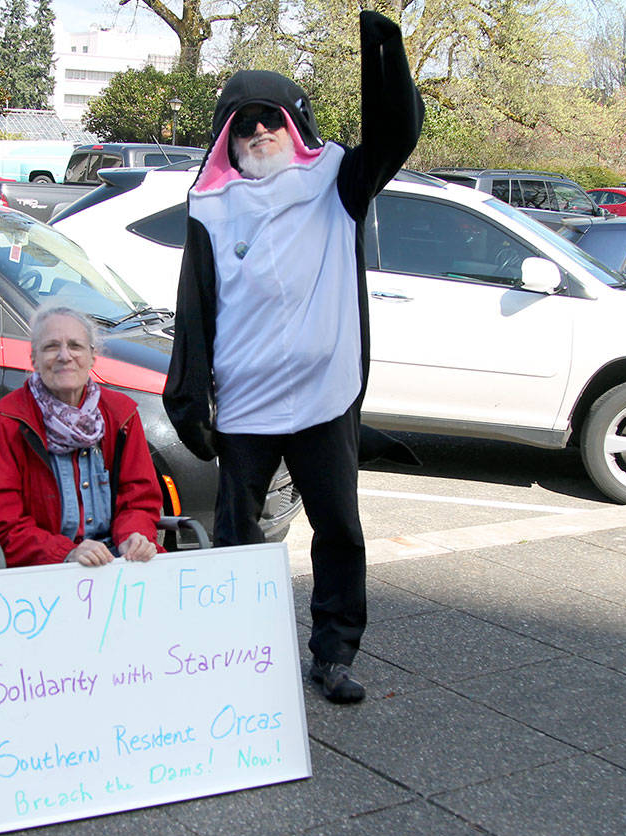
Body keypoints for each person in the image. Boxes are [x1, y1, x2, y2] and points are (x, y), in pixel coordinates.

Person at [163, 10, 423, 703]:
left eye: (270, 120)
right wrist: (189, 398)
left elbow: (396, 132)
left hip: (323, 396)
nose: (257, 134)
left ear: (293, 122)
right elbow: (195, 306)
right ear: (227, 136)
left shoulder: (337, 181)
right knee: (239, 535)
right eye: (242, 125)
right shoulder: (212, 206)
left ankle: (333, 653)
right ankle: (238, 654)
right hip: (246, 403)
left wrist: (381, 52)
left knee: (338, 528)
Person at [0, 305, 163, 571]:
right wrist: (67, 552)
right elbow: (3, 523)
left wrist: (133, 535)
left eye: (75, 346)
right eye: (51, 347)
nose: (65, 356)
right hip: (37, 564)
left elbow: (139, 499)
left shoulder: (122, 414)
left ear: (92, 357)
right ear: (34, 359)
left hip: (113, 560)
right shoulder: (5, 419)